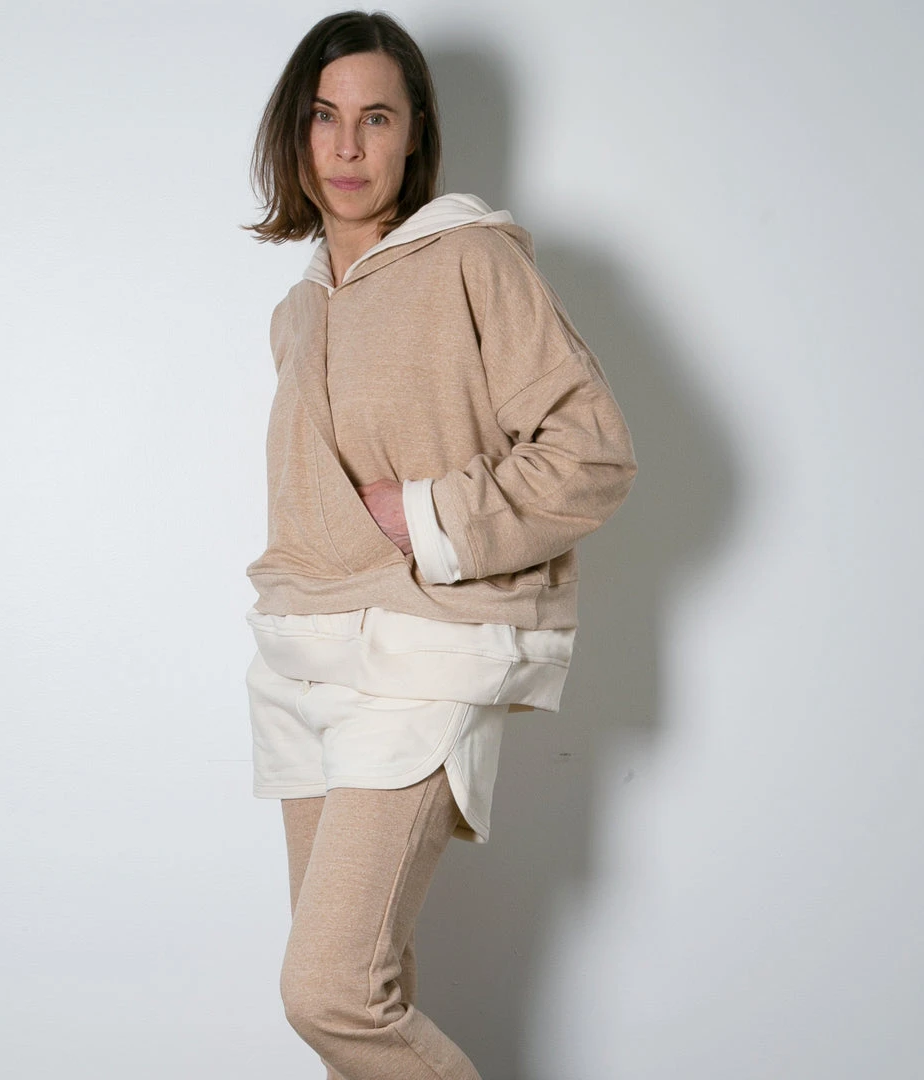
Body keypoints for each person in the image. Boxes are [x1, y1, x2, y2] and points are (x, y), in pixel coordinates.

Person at [243, 11, 636, 1079]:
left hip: (422, 652)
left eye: (376, 118)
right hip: (302, 660)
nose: (347, 145)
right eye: (323, 117)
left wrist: (421, 515)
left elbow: (593, 452)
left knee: (327, 994)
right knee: (363, 1011)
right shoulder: (297, 311)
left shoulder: (470, 258)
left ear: (414, 133)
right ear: (293, 133)